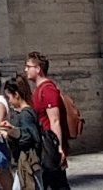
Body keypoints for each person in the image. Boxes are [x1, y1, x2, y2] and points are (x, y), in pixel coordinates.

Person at [22, 52, 72, 190]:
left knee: (55, 183)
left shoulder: (48, 90)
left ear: (38, 69)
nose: (26, 69)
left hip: (50, 146)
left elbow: (54, 120)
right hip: (45, 146)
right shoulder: (39, 90)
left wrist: (59, 148)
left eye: (28, 66)